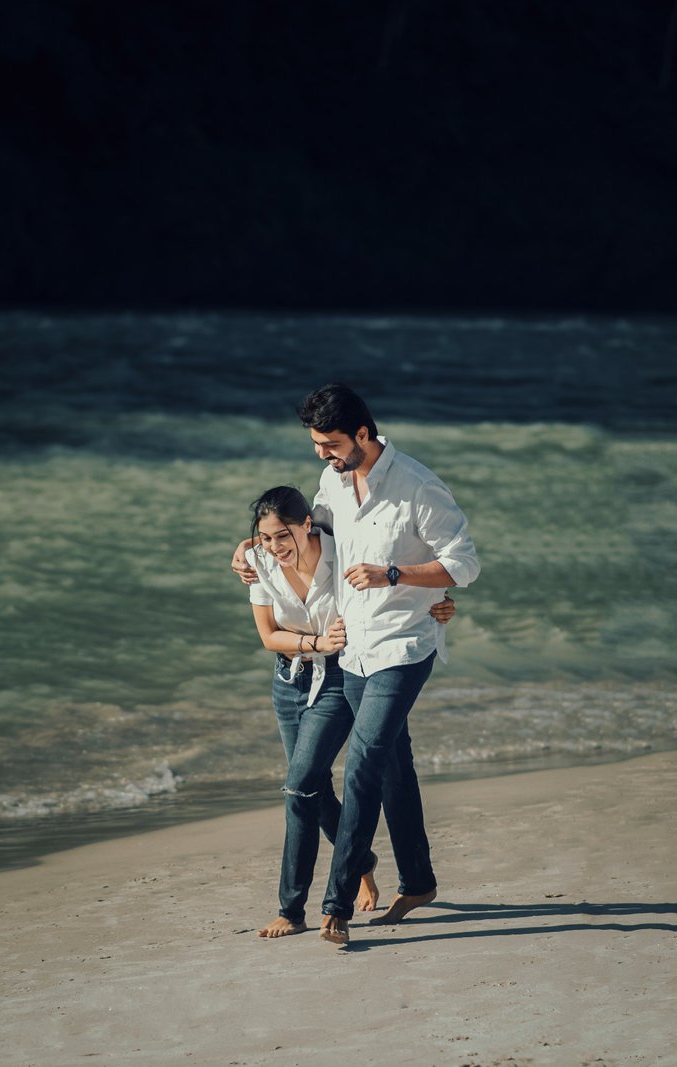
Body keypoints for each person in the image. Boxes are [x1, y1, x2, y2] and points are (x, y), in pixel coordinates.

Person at [235, 384, 479, 945]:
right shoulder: (333, 481)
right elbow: (302, 529)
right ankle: (418, 880)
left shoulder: (418, 487)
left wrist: (395, 575)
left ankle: (336, 902)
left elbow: (463, 564)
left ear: (363, 434)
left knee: (365, 762)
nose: (321, 453)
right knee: (394, 765)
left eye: (330, 442)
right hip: (355, 651)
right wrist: (246, 546)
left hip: (404, 645)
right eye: (317, 443)